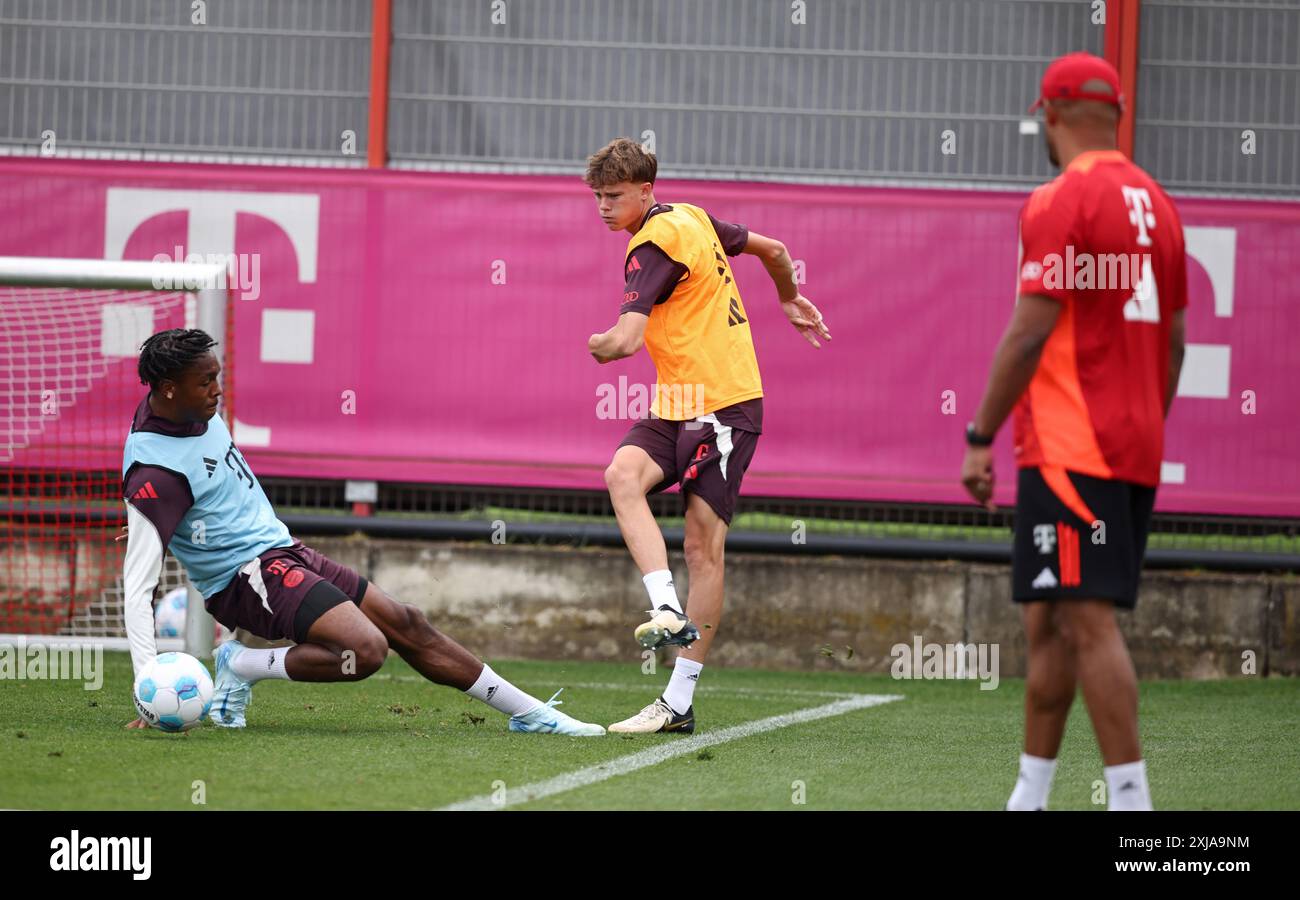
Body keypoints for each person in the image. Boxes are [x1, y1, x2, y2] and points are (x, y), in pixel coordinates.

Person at [121, 328, 604, 735]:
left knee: (407, 622)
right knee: (365, 651)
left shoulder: (187, 411)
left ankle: (530, 714)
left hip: (282, 550)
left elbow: (190, 498)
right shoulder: (154, 473)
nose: (217, 391)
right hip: (246, 580)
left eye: (217, 378)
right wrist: (149, 686)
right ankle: (242, 664)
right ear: (167, 388)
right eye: (206, 382)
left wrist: (160, 522)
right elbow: (137, 587)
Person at [961, 53, 1187, 810]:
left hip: (1069, 448)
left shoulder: (1059, 199)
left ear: (1049, 114)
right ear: (1116, 114)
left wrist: (979, 434)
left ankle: (1132, 808)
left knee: (1085, 621)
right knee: (1049, 621)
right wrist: (1147, 420)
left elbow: (1030, 332)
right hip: (1132, 444)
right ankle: (1029, 797)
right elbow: (1177, 340)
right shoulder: (1159, 202)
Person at [584, 138, 831, 733]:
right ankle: (666, 608)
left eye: (614, 196)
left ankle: (678, 702)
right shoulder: (691, 215)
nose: (603, 207)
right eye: (597, 196)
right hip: (679, 399)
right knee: (622, 476)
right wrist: (790, 296)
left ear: (646, 192)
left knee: (702, 548)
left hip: (724, 404)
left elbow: (624, 341)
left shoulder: (653, 242)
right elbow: (774, 249)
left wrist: (594, 346)